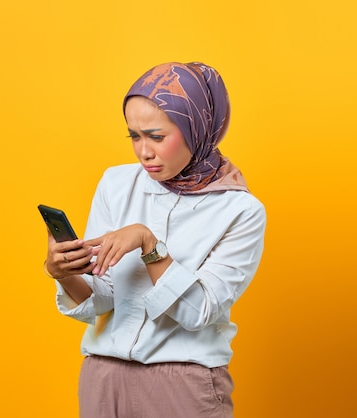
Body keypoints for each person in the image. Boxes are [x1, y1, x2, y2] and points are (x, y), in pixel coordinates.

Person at [43, 62, 266, 418]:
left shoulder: (240, 210)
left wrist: (149, 244)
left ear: (197, 129)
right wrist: (64, 272)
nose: (143, 152)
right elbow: (103, 299)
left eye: (156, 136)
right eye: (134, 135)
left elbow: (199, 313)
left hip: (184, 383)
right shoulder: (116, 185)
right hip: (104, 378)